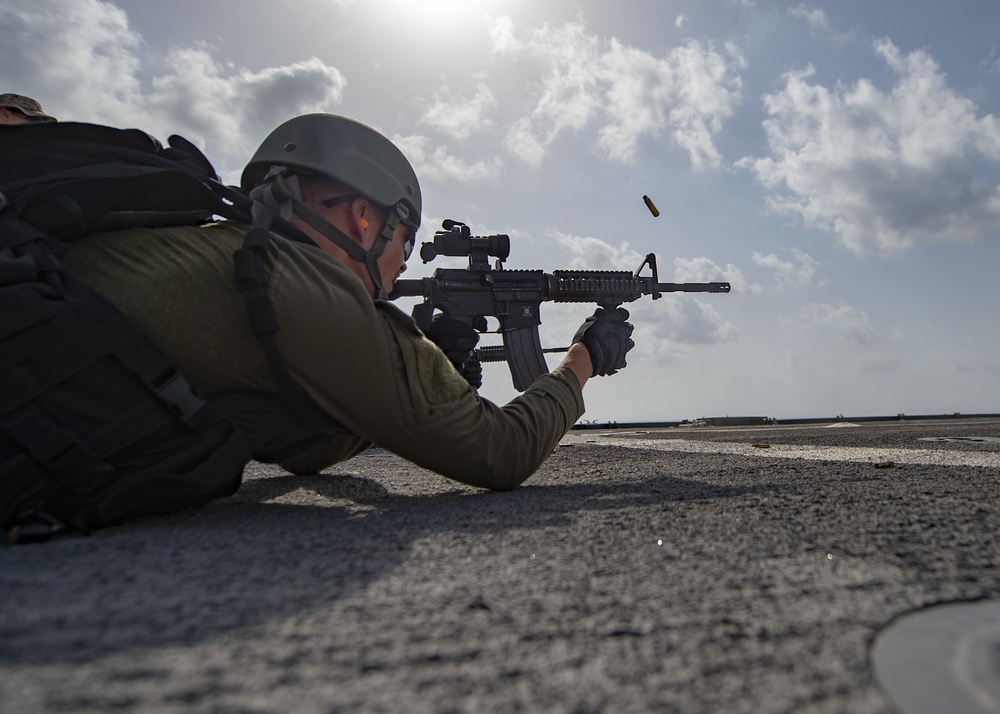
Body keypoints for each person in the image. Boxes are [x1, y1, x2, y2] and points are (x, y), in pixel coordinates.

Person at [62, 113, 633, 491]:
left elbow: (297, 445)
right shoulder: (296, 283)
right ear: (365, 217)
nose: (405, 261)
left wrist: (414, 373)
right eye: (406, 238)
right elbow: (501, 452)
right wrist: (583, 359)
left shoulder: (225, 253)